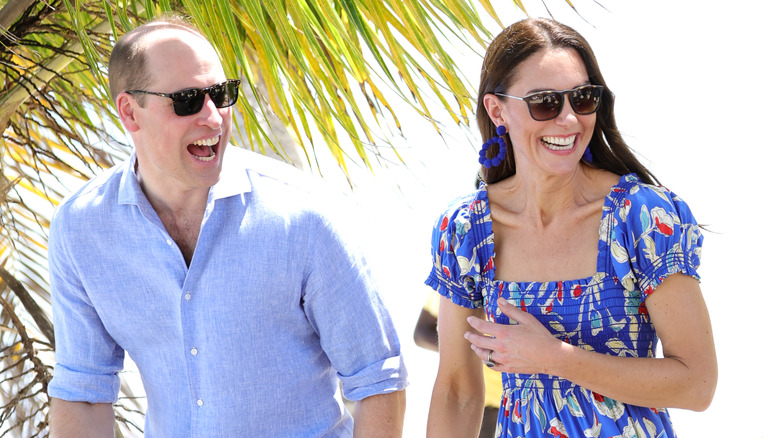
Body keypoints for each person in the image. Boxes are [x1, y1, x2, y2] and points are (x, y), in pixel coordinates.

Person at [48, 15, 407, 437]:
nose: (214, 118)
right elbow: (85, 392)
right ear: (130, 112)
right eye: (186, 100)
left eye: (221, 94)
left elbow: (378, 380)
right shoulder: (81, 229)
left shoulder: (304, 216)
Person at [425, 18, 716, 437]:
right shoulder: (465, 231)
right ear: (497, 110)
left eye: (582, 99)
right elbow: (457, 392)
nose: (569, 119)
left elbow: (698, 383)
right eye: (545, 102)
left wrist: (555, 357)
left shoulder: (643, 217)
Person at [414, 293, 501, 438]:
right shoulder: (460, 276)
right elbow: (421, 333)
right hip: (478, 402)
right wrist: (473, 350)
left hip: (524, 398)